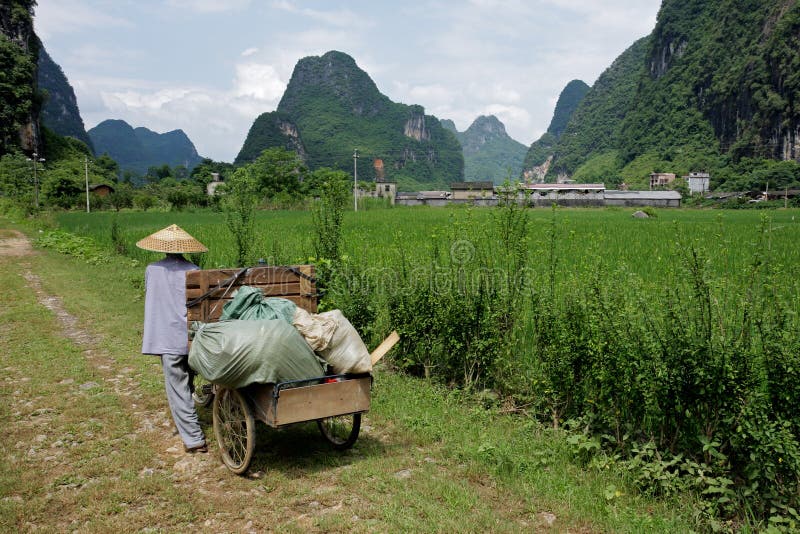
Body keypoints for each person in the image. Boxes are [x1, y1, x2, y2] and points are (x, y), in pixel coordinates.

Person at [136, 224, 208, 454]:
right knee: (185, 376)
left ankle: (194, 439)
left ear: (162, 248)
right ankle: (189, 417)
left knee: (177, 386)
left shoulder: (152, 270)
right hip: (192, 336)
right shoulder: (194, 269)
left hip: (168, 337)